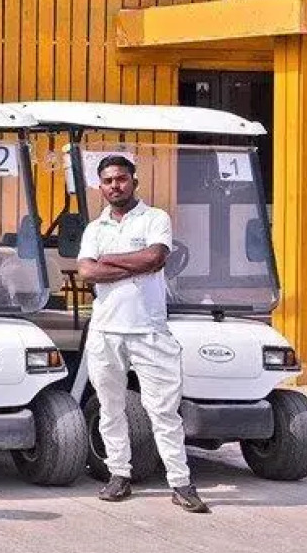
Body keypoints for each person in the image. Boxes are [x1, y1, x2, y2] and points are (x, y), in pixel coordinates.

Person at [75, 154, 209, 514]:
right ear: (100, 187)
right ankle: (119, 475)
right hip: (105, 331)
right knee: (110, 408)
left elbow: (154, 259)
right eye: (108, 181)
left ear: (134, 181)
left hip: (149, 330)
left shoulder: (155, 218)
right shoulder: (95, 228)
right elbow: (86, 272)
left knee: (163, 410)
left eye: (121, 179)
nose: (115, 186)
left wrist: (110, 260)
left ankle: (180, 483)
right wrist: (133, 262)